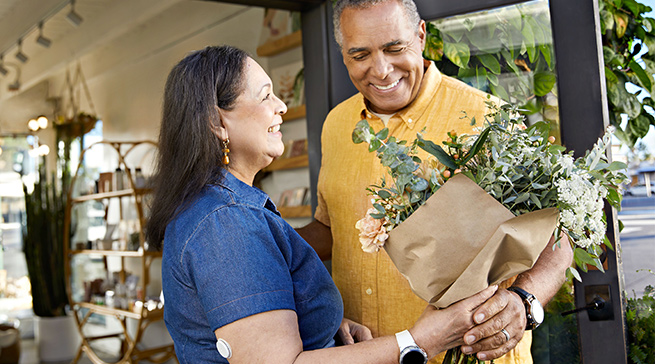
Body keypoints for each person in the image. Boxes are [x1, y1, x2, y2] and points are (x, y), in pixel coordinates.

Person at [146, 45, 500, 364]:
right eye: (266, 96)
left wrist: (319, 323)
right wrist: (420, 340)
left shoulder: (219, 211)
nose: (281, 106)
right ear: (217, 122)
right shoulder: (227, 224)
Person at [296, 0, 574, 362]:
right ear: (343, 54)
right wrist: (258, 245)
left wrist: (525, 302)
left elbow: (558, 232)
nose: (380, 70)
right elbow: (333, 227)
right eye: (360, 54)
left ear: (421, 36)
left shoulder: (487, 116)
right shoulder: (335, 124)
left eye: (395, 48)